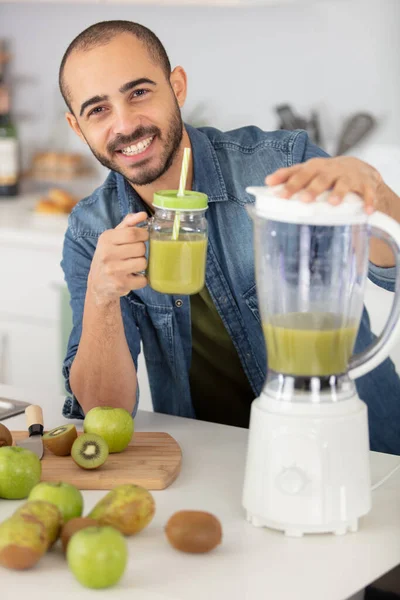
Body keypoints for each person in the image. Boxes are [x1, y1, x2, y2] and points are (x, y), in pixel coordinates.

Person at [59, 20, 400, 454]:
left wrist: (374, 191)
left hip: (363, 451)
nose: (125, 125)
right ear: (77, 126)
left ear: (177, 86)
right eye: (98, 110)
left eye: (139, 92)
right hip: (215, 465)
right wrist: (101, 296)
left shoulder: (278, 168)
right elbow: (105, 410)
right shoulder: (93, 230)